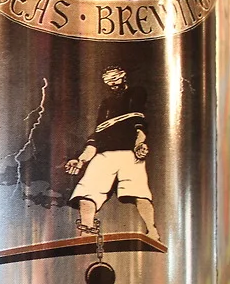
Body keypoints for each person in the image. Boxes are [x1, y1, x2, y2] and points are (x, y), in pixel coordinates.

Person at [64, 66, 161, 243]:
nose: (112, 84)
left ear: (123, 76)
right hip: (104, 155)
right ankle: (87, 232)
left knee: (139, 192)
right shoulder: (105, 104)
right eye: (108, 81)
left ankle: (152, 231)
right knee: (86, 193)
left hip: (129, 153)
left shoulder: (136, 94)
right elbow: (95, 139)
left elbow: (139, 125)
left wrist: (139, 144)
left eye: (115, 78)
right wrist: (81, 160)